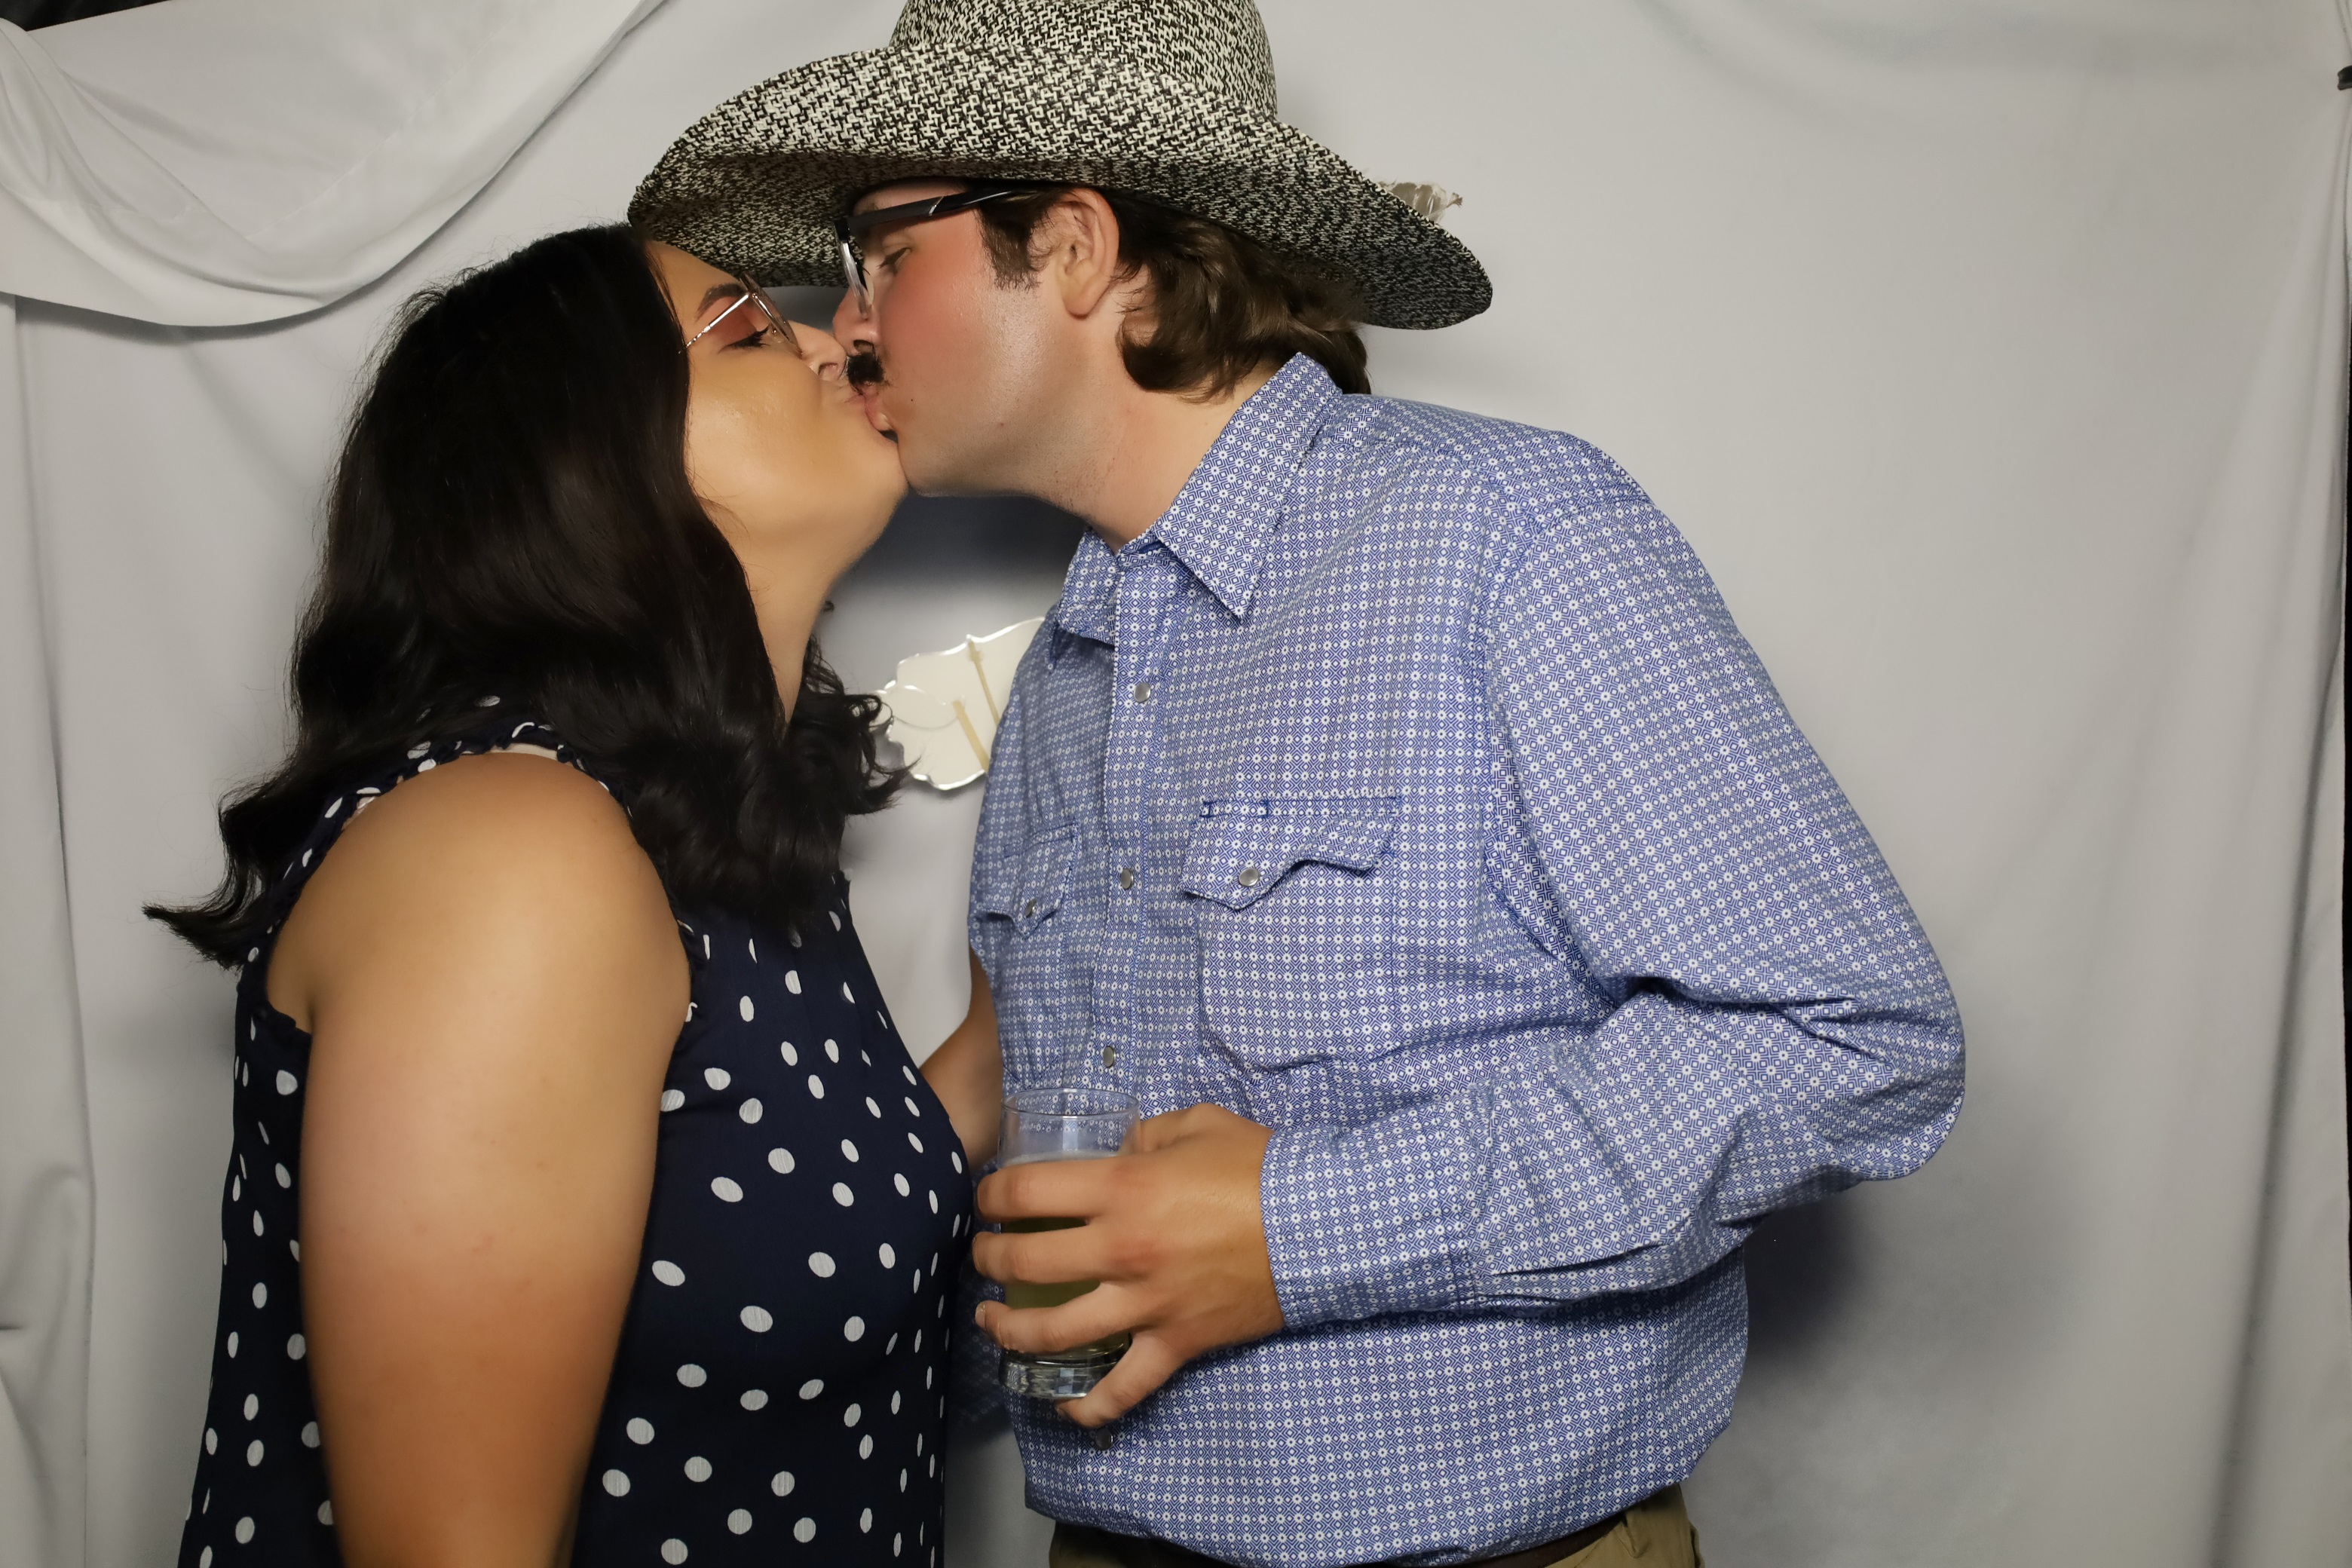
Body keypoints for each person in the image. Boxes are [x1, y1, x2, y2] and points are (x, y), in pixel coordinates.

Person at [632, 2, 1966, 1563]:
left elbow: (1849, 1039)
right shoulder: (1068, 671)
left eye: (882, 254)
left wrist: (1293, 1231)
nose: (847, 326)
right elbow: (1067, 1190)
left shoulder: (1504, 541)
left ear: (1072, 248)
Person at [152, 226, 969, 1566]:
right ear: (589, 462)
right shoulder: (511, 855)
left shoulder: (712, 847)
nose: (836, 340)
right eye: (749, 329)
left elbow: (789, 1204)